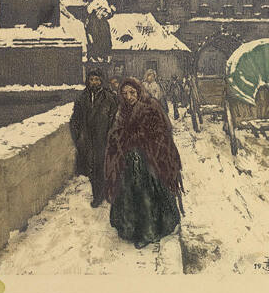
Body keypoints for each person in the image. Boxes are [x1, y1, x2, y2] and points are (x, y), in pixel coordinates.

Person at [104, 79, 184, 249]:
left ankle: (149, 232)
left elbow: (161, 130)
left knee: (145, 191)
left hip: (150, 156)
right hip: (129, 157)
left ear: (138, 91)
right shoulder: (121, 110)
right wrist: (120, 140)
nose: (129, 97)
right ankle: (131, 229)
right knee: (128, 190)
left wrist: (140, 138)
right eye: (124, 93)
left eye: (132, 92)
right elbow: (116, 132)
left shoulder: (150, 106)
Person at [69, 70, 118, 207]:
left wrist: (111, 135)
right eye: (91, 79)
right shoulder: (82, 98)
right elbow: (75, 119)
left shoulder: (110, 98)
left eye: (97, 79)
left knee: (106, 167)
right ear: (88, 81)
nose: (94, 82)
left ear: (102, 81)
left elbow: (115, 118)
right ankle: (97, 196)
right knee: (92, 170)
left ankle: (108, 193)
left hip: (104, 139)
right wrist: (78, 137)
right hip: (88, 140)